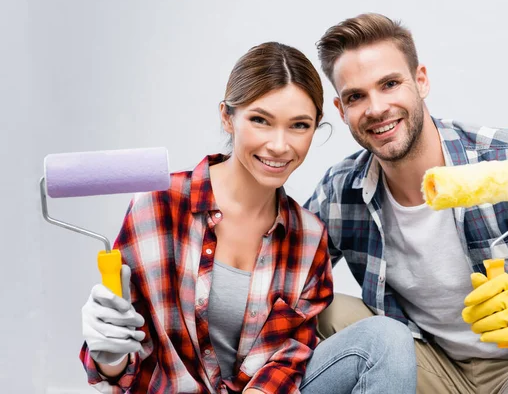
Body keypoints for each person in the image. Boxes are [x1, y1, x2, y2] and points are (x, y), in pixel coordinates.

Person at [79, 41, 417, 394]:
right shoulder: (157, 206)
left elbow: (290, 357)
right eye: (260, 120)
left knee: (386, 338)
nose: (279, 145)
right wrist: (109, 354)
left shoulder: (308, 236)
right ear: (227, 117)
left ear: (315, 129)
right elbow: (116, 371)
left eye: (298, 126)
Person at [306, 13, 508, 393]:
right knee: (326, 308)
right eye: (356, 96)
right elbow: (284, 275)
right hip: (426, 361)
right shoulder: (341, 191)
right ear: (341, 109)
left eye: (390, 84)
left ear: (421, 80)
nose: (376, 108)